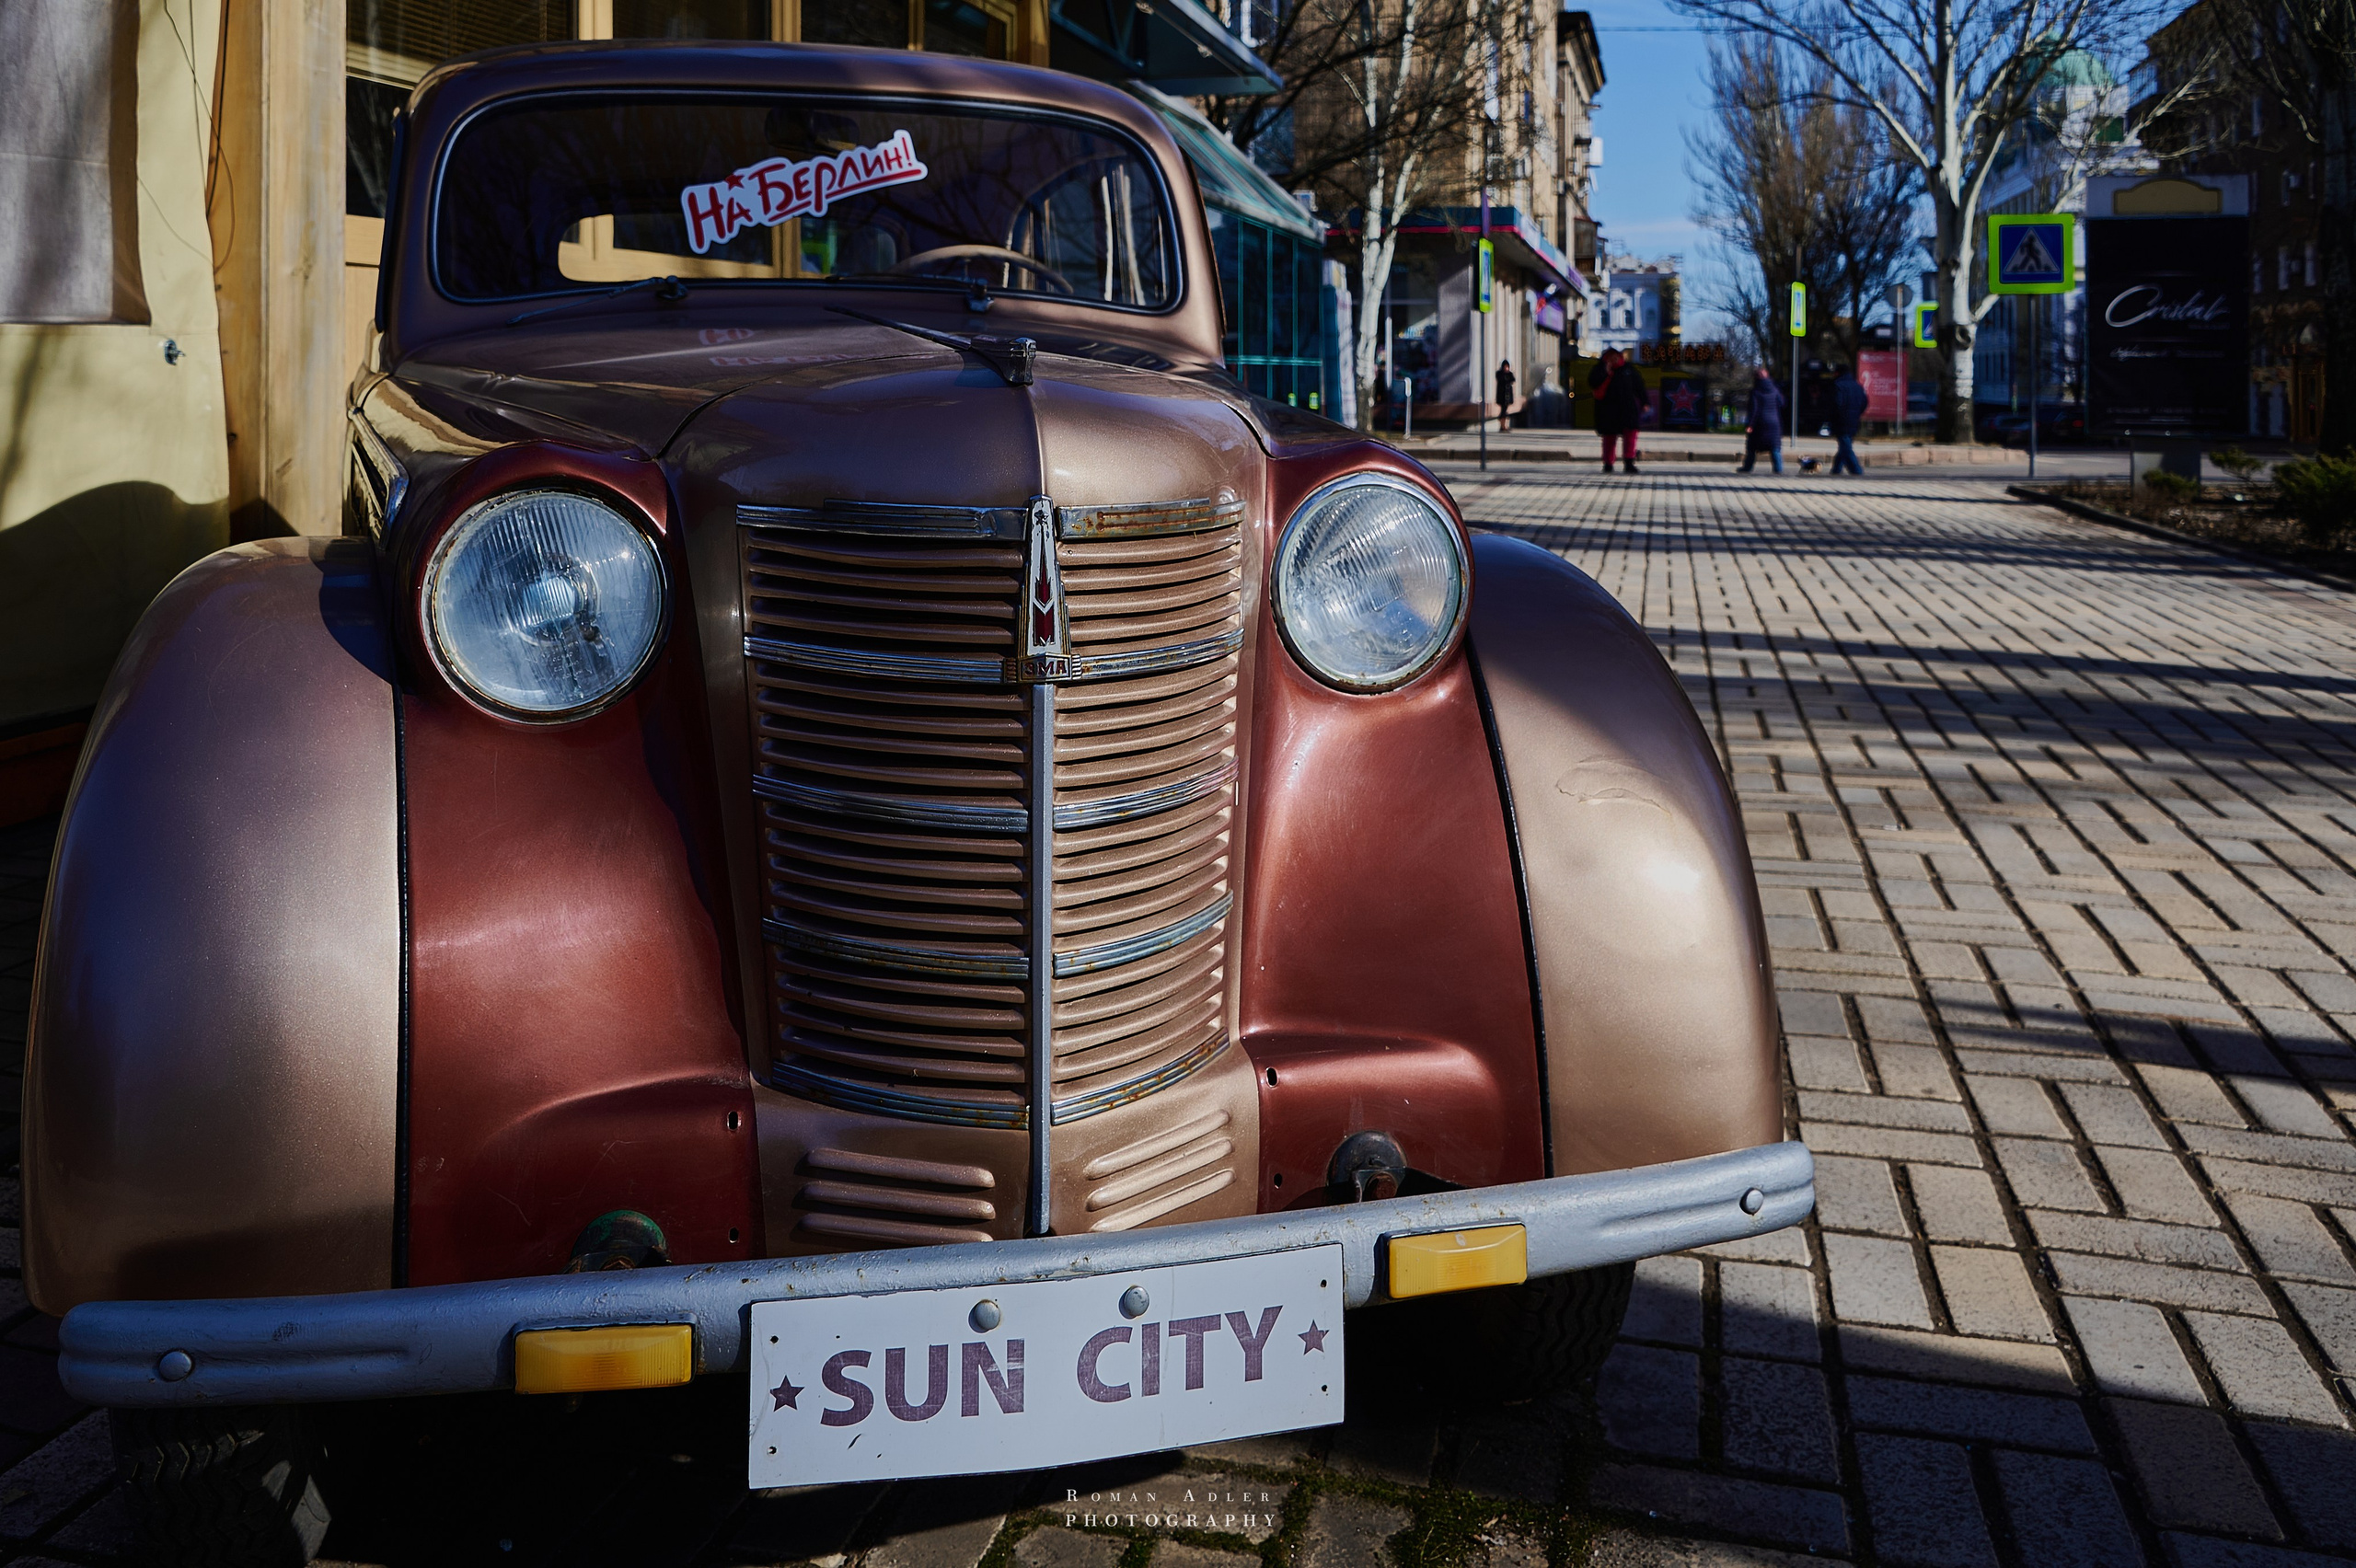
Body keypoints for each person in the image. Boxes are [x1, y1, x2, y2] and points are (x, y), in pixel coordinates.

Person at [1588, 349, 1649, 473]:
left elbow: (1639, 386)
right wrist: (1605, 371)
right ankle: (1608, 464)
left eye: (1615, 356)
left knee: (1630, 435)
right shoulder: (1600, 368)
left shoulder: (1628, 369)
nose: (1613, 359)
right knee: (1609, 437)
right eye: (1610, 357)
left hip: (1628, 408)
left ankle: (1629, 462)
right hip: (1607, 409)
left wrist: (1645, 402)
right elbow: (1592, 382)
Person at [1738, 365, 1784, 475]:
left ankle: (1748, 467)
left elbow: (1754, 409)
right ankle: (1778, 468)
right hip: (1774, 423)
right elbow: (1782, 403)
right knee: (1775, 447)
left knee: (1752, 447)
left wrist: (1750, 425)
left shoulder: (1755, 391)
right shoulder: (1775, 389)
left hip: (1760, 423)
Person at [1831, 363, 1867, 475]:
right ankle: (1836, 469)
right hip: (1854, 419)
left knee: (1846, 445)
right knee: (1845, 444)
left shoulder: (1838, 386)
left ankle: (1856, 469)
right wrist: (1857, 413)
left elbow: (1836, 403)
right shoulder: (1857, 386)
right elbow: (1865, 402)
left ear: (1838, 373)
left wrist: (1832, 417)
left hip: (1841, 420)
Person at [1494, 359, 1517, 432]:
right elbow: (1501, 380)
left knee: (1505, 410)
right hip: (1502, 396)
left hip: (1507, 396)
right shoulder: (1499, 373)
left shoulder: (1509, 374)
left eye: (1507, 367)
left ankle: (1503, 425)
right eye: (1505, 366)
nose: (1506, 368)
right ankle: (1502, 425)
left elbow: (1513, 379)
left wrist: (1508, 374)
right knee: (1503, 411)